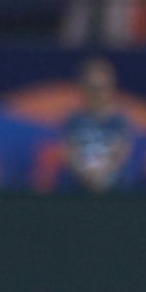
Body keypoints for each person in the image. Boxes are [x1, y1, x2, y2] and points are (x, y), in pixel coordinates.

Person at [52, 57, 135, 192]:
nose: (97, 94)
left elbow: (120, 154)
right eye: (92, 88)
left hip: (113, 188)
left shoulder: (119, 121)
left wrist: (102, 174)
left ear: (111, 88)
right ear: (83, 88)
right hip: (77, 185)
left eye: (102, 88)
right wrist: (85, 174)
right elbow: (68, 152)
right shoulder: (72, 120)